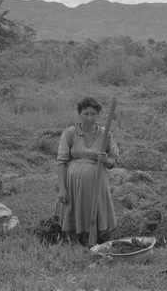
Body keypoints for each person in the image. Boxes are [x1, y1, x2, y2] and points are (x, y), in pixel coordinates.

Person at [56, 96, 119, 246]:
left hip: (97, 183)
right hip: (73, 184)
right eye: (86, 114)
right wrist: (62, 188)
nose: (90, 118)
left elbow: (114, 160)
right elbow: (61, 161)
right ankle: (74, 243)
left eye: (93, 114)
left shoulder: (105, 134)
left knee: (95, 211)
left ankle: (93, 241)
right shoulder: (70, 133)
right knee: (73, 210)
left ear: (98, 115)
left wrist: (106, 160)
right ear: (79, 114)